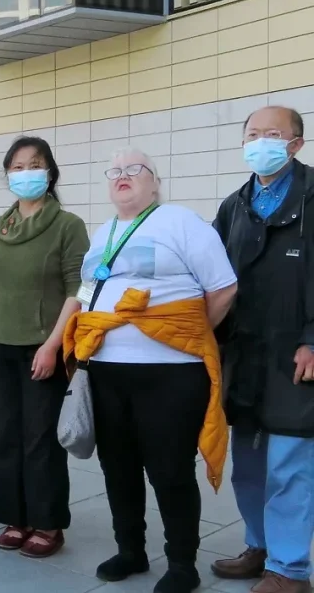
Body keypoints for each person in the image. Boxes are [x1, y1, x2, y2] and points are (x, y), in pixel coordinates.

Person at [63, 148, 236, 593]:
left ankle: (182, 563)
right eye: (115, 170)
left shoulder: (182, 222)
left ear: (155, 182)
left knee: (170, 470)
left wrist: (179, 332)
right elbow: (87, 291)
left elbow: (222, 289)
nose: (123, 176)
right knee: (117, 466)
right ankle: (131, 550)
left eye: (134, 170)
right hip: (105, 369)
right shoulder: (102, 232)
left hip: (171, 372)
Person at [211, 105, 314, 593]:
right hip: (244, 354)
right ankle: (260, 546)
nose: (261, 142)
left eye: (273, 134)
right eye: (253, 133)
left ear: (296, 143)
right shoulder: (234, 205)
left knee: (290, 466)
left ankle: (290, 569)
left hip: (295, 353)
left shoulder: (312, 195)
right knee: (248, 464)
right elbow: (210, 276)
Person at [0, 136, 88, 558]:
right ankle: (14, 517)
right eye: (18, 166)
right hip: (0, 347)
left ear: (51, 172)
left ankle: (47, 523)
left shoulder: (67, 225)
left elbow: (78, 288)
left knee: (39, 439)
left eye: (35, 164)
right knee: (3, 436)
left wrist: (52, 345)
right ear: (8, 175)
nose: (27, 173)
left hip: (44, 348)